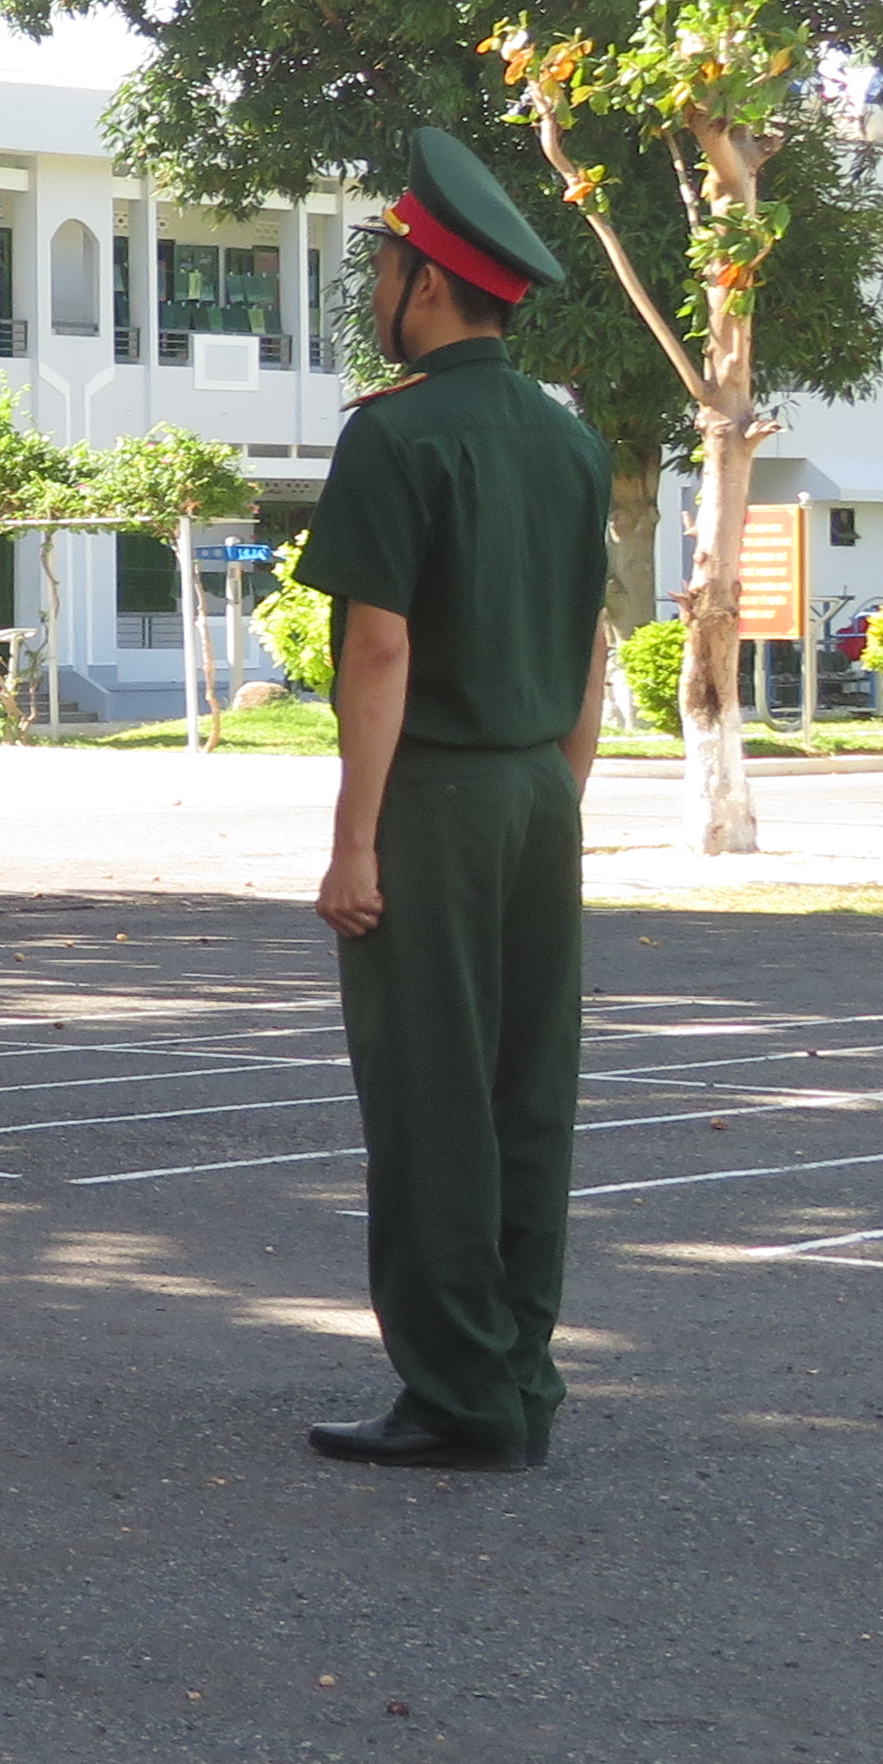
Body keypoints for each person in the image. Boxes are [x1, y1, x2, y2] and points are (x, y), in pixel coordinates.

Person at [296, 126, 615, 1473]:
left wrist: (353, 843)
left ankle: (457, 1396)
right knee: (525, 1094)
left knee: (432, 1096)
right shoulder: (564, 440)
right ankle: (519, 1376)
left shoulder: (399, 435)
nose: (373, 293)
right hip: (541, 793)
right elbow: (594, 642)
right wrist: (558, 790)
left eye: (382, 268)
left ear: (427, 283)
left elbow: (381, 649)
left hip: (435, 798)